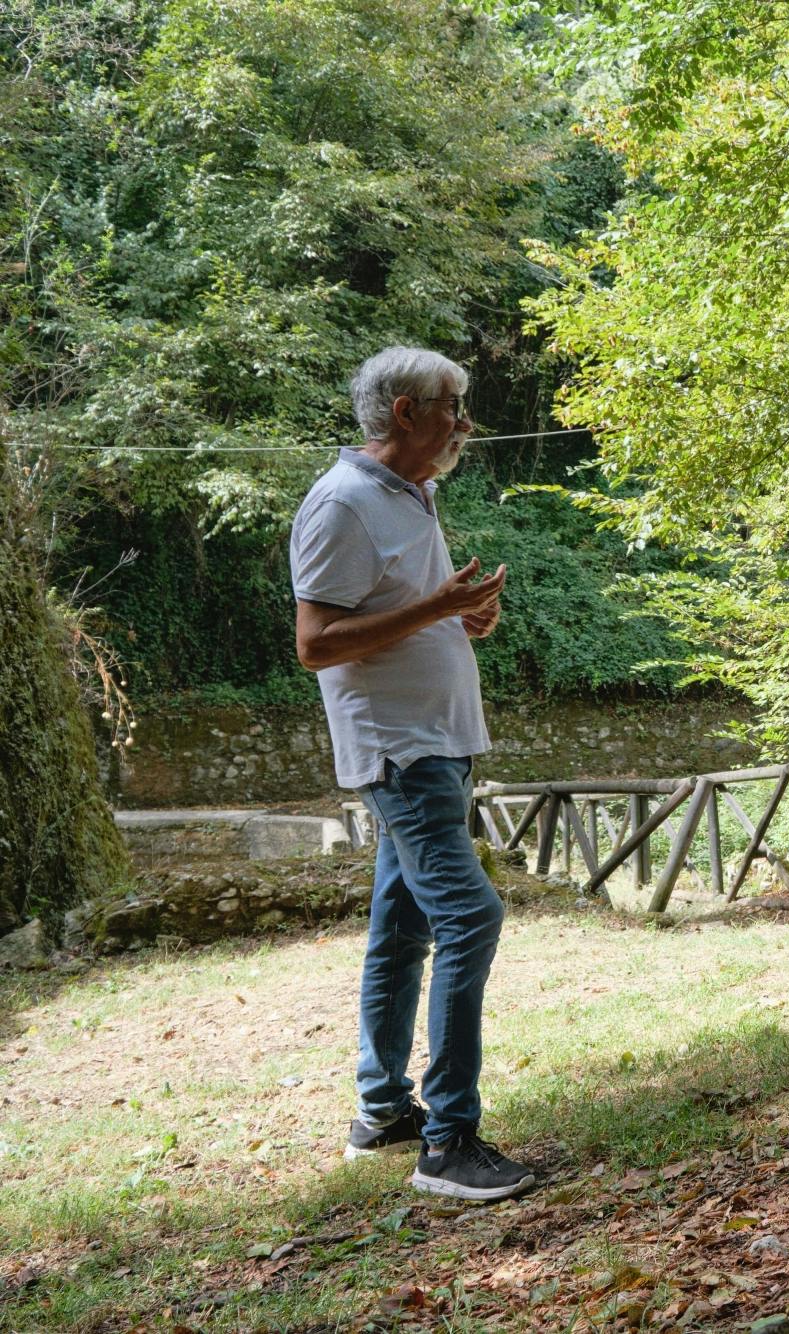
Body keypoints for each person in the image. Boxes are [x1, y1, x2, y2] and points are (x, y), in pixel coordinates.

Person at [289, 347, 533, 1201]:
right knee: (472, 915)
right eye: (454, 408)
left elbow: (402, 616)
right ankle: (449, 1142)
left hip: (439, 739)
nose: (466, 424)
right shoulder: (342, 503)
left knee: (402, 927)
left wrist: (467, 617)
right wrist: (437, 607)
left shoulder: (413, 494)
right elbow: (316, 645)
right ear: (404, 412)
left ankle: (382, 1110)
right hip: (401, 751)